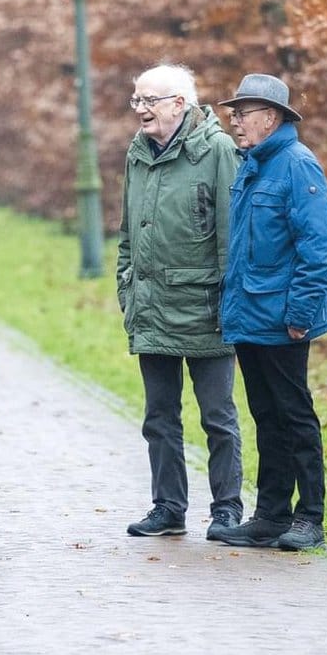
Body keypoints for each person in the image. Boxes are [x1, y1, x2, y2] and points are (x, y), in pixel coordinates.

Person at [115, 64, 244, 542]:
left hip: (207, 308)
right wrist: (127, 287)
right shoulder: (137, 153)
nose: (141, 110)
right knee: (159, 416)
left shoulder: (219, 150)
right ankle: (168, 507)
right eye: (136, 100)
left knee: (218, 416)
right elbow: (129, 232)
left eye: (150, 100)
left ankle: (227, 509)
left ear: (179, 104)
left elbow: (234, 235)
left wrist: (231, 304)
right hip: (151, 305)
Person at [211, 73, 327, 552]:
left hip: (284, 320)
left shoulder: (298, 165)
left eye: (242, 114)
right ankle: (270, 515)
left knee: (295, 415)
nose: (234, 121)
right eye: (234, 113)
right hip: (250, 316)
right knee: (266, 415)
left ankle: (310, 517)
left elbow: (318, 249)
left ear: (272, 117)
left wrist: (300, 314)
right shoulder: (252, 164)